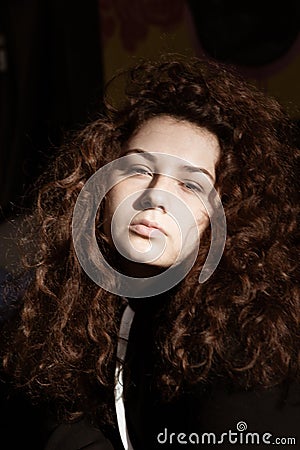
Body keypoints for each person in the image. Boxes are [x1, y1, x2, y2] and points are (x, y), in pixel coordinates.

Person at [0, 54, 299, 450]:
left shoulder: (248, 335)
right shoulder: (70, 300)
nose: (157, 196)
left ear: (230, 216)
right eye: (138, 169)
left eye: (191, 185)